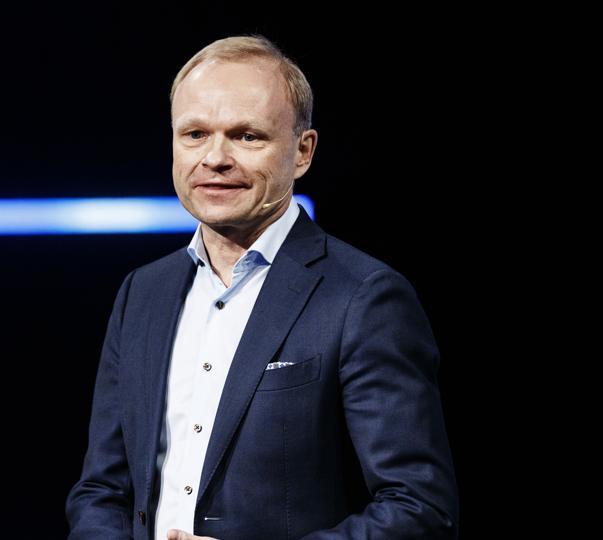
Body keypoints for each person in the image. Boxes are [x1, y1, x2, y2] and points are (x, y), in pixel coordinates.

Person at [65, 35, 458, 540]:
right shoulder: (142, 293)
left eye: (247, 136)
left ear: (302, 152)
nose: (215, 158)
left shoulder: (364, 296)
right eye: (194, 134)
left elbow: (419, 507)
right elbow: (102, 490)